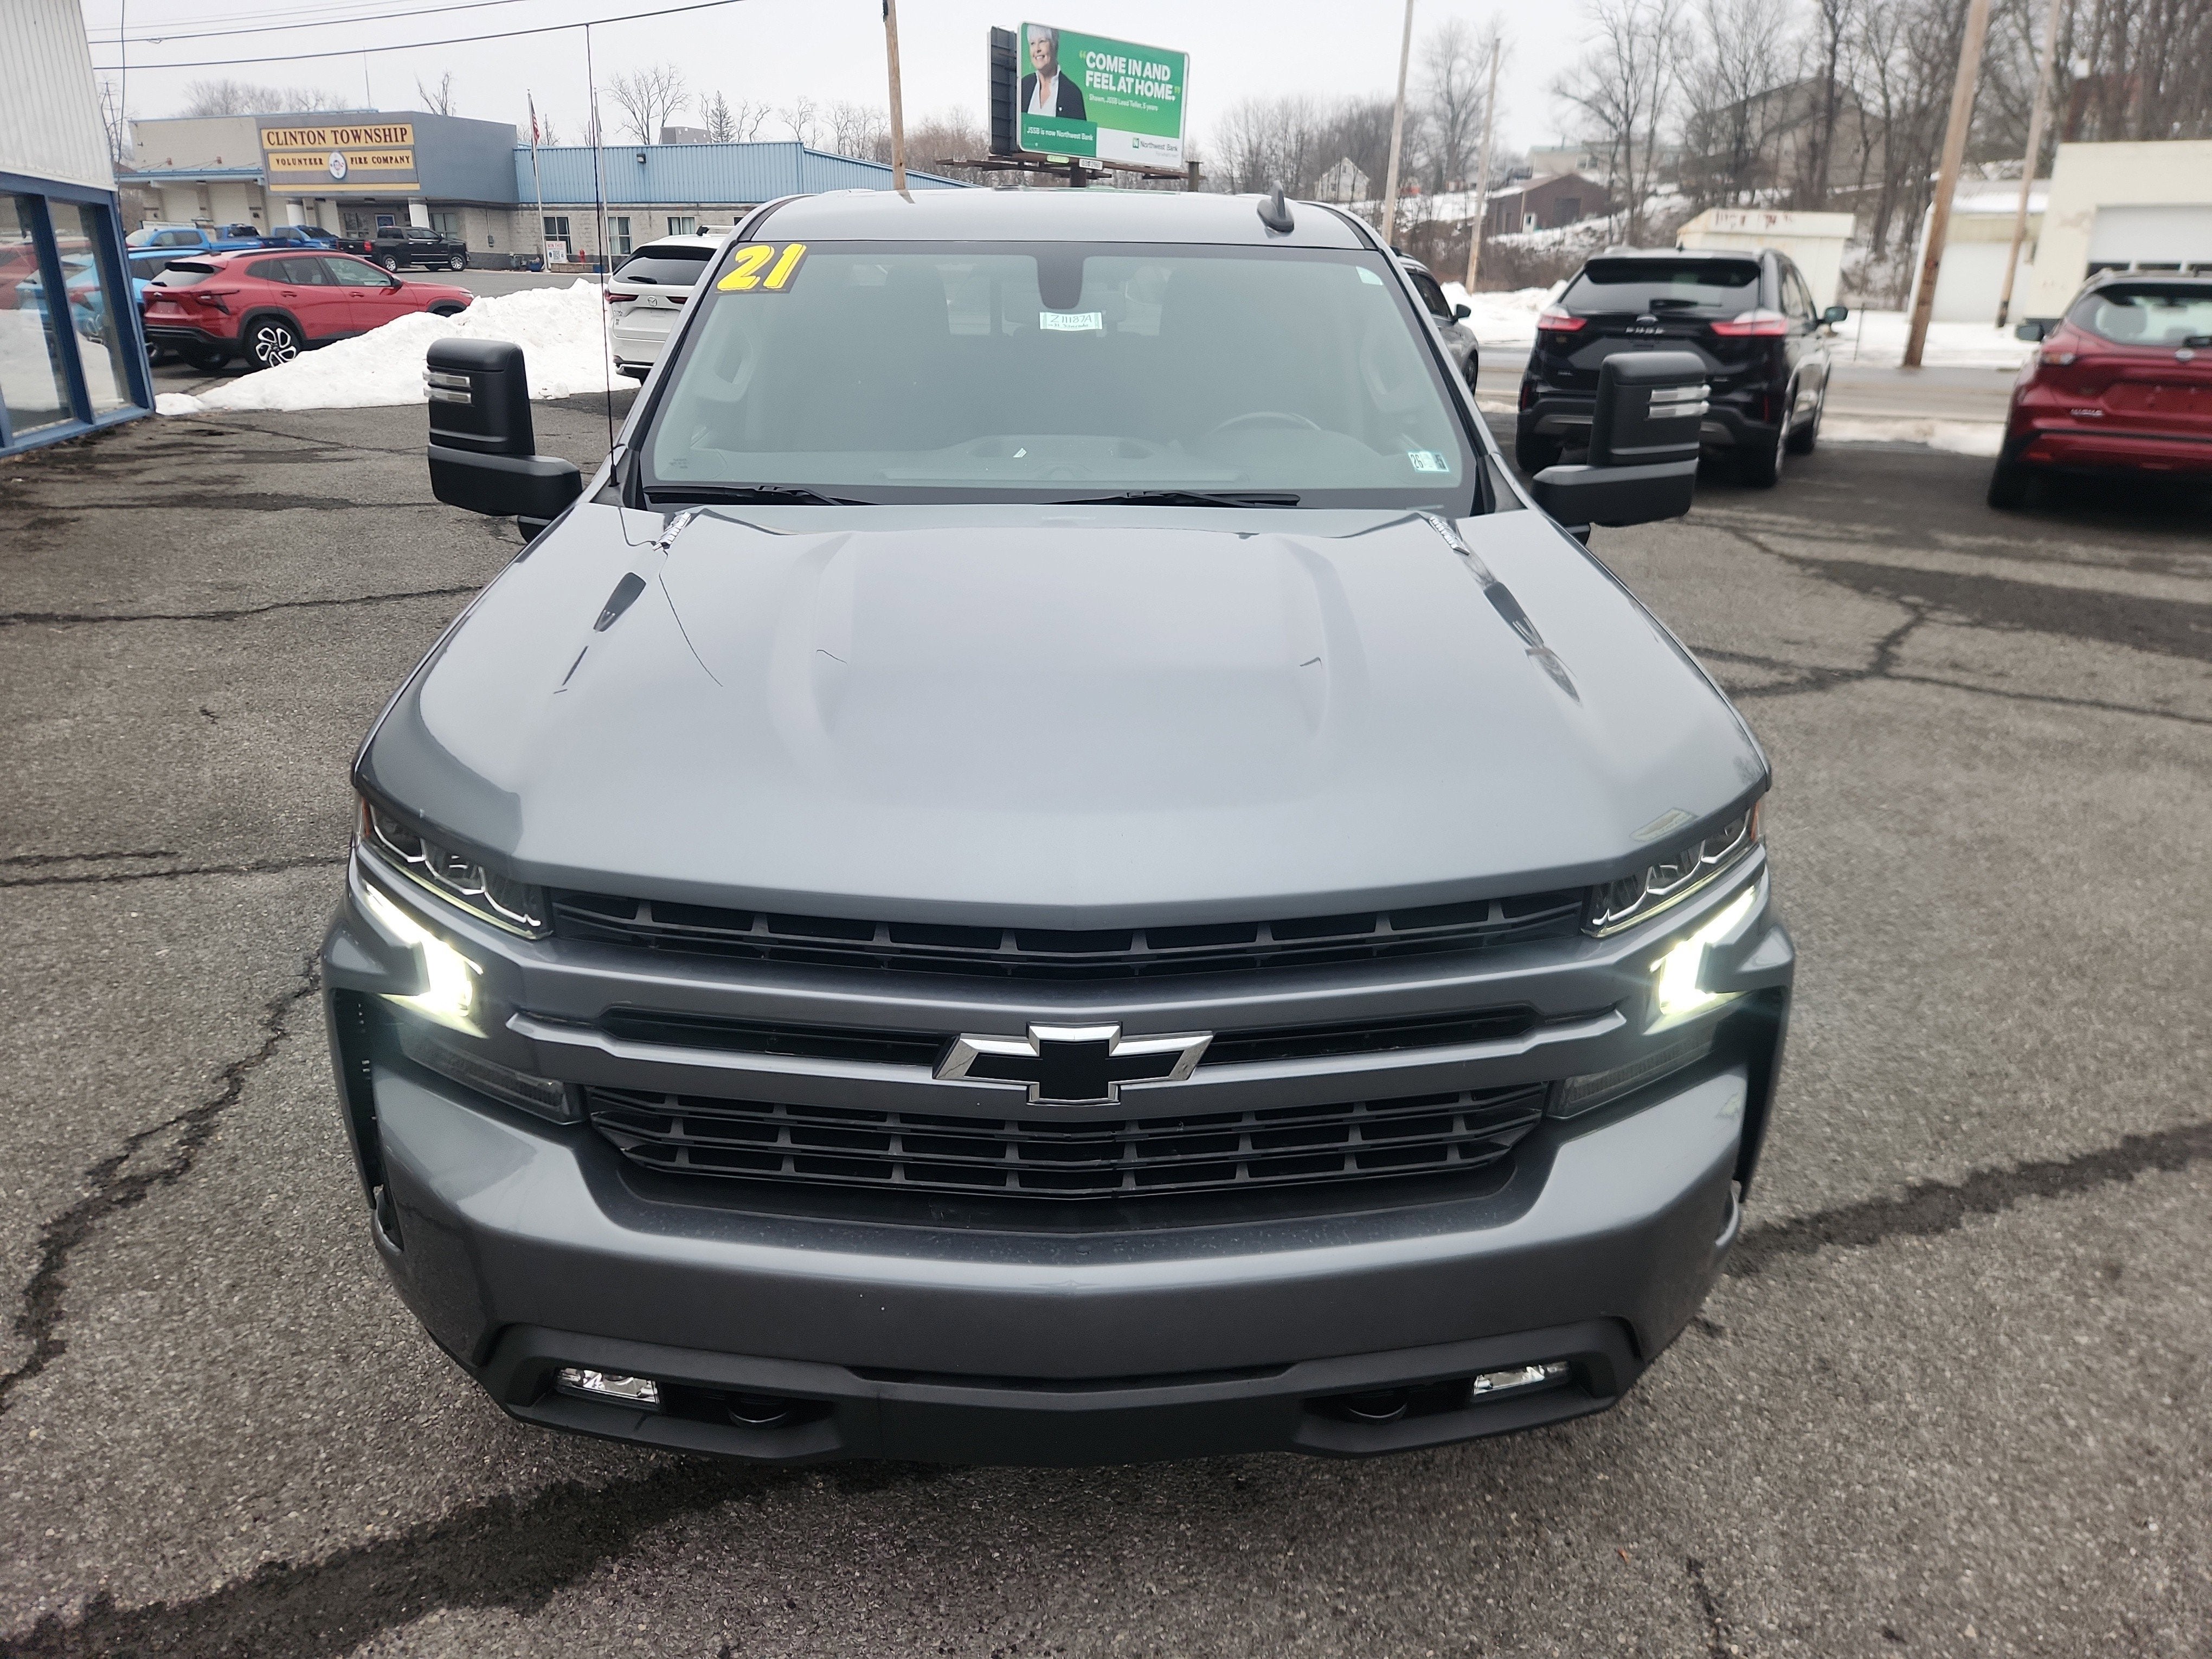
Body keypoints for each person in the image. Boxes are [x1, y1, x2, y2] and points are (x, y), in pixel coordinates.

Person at [1020, 24, 1088, 120]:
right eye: (1032, 43)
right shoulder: (1023, 86)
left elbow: (1080, 133)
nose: (1037, 49)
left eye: (1042, 41)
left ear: (1054, 45)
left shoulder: (1072, 93)